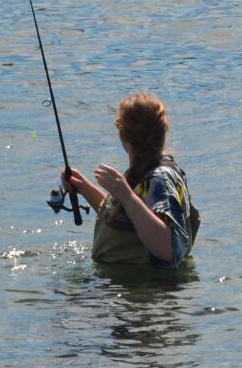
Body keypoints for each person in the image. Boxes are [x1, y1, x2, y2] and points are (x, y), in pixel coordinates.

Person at [63, 91, 196, 270]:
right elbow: (131, 219)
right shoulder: (147, 171)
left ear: (124, 136)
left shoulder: (160, 180)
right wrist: (85, 188)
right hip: (123, 285)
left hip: (145, 289)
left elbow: (168, 250)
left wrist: (126, 196)